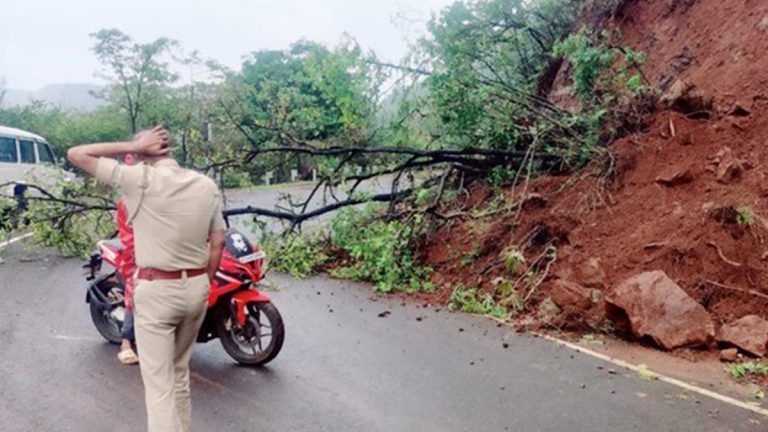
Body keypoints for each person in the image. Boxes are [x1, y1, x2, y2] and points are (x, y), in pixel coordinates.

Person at [67, 126, 226, 432]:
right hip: (195, 288)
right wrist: (204, 283)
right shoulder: (205, 185)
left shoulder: (138, 179)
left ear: (143, 151)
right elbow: (217, 242)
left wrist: (132, 144)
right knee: (180, 375)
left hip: (158, 291)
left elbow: (77, 154)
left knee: (159, 387)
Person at [117, 154, 138, 365]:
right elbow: (130, 240)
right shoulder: (126, 203)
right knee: (136, 289)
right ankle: (126, 341)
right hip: (136, 255)